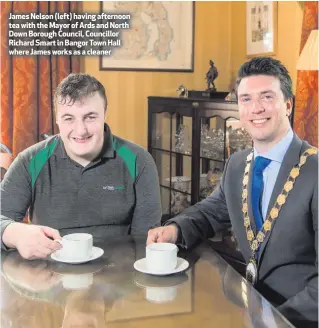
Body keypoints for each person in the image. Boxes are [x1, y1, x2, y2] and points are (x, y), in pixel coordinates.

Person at [147, 57, 318, 327]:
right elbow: (211, 212)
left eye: (266, 97)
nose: (256, 108)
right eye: (246, 99)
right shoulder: (237, 163)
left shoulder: (315, 171)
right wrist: (176, 229)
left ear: (288, 104)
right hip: (248, 310)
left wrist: (276, 320)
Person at [1, 73, 161, 259]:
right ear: (57, 119)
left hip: (120, 277)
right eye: (69, 118)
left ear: (105, 114)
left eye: (90, 117)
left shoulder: (139, 160)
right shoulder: (30, 161)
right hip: (48, 278)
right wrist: (13, 232)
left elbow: (145, 243)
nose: (80, 130)